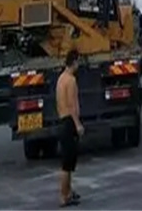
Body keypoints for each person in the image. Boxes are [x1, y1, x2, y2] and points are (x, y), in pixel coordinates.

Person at [56, 49, 84, 207]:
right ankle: (63, 195)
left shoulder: (61, 79)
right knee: (67, 164)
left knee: (69, 162)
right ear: (73, 62)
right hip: (69, 122)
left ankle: (68, 192)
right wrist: (78, 124)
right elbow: (72, 105)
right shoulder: (71, 80)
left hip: (62, 119)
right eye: (78, 61)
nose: (78, 65)